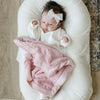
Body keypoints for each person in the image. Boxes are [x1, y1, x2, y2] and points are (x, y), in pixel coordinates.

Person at [27, 1, 71, 100]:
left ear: (58, 24)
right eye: (43, 22)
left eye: (50, 24)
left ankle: (48, 91)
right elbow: (32, 36)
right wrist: (32, 26)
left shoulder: (59, 32)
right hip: (41, 57)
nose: (46, 26)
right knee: (39, 73)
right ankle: (43, 90)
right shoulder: (40, 30)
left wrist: (65, 40)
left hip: (52, 58)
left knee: (51, 74)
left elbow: (65, 41)